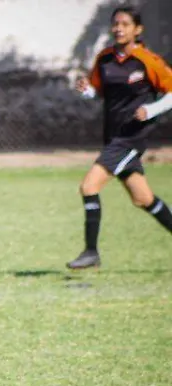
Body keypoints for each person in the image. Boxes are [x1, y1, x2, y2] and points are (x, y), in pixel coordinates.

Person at [67, 5, 172, 270]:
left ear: (137, 30)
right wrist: (85, 91)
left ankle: (91, 252)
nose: (119, 29)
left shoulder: (148, 61)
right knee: (143, 199)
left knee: (88, 187)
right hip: (113, 136)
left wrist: (152, 110)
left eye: (125, 24)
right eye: (115, 24)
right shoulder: (105, 58)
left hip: (131, 139)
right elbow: (97, 92)